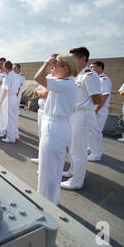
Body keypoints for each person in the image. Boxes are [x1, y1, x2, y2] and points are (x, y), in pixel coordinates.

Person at [34, 55, 77, 205]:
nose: (51, 67)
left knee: (51, 168)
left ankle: (48, 202)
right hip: (52, 125)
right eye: (51, 65)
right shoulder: (62, 82)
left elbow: (37, 78)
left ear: (65, 69)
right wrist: (51, 66)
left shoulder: (66, 84)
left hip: (56, 127)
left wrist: (46, 62)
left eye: (55, 65)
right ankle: (45, 199)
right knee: (47, 167)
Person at [61, 47, 102, 190]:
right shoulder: (77, 75)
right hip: (74, 114)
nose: (70, 61)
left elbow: (97, 98)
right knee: (72, 146)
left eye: (73, 58)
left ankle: (77, 181)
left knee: (79, 149)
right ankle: (73, 170)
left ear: (83, 59)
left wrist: (90, 109)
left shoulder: (89, 75)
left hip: (83, 115)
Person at [31, 58, 56, 164]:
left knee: (49, 139)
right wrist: (40, 92)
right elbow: (36, 90)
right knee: (41, 136)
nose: (50, 67)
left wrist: (39, 92)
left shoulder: (58, 79)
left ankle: (48, 161)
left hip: (50, 113)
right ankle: (42, 157)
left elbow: (45, 93)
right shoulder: (48, 77)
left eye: (52, 64)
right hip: (41, 111)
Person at [87, 61, 112, 161]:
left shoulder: (103, 79)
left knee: (96, 131)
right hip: (94, 109)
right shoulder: (95, 79)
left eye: (93, 67)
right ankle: (91, 149)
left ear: (100, 68)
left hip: (100, 109)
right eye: (90, 67)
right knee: (91, 131)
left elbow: (105, 96)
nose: (91, 69)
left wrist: (97, 109)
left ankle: (96, 154)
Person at [0, 61, 21, 143]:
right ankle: (15, 135)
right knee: (14, 118)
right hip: (14, 97)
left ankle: (10, 137)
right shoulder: (16, 75)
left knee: (9, 118)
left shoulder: (8, 76)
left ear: (5, 68)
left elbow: (5, 90)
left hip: (9, 98)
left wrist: (0, 102)